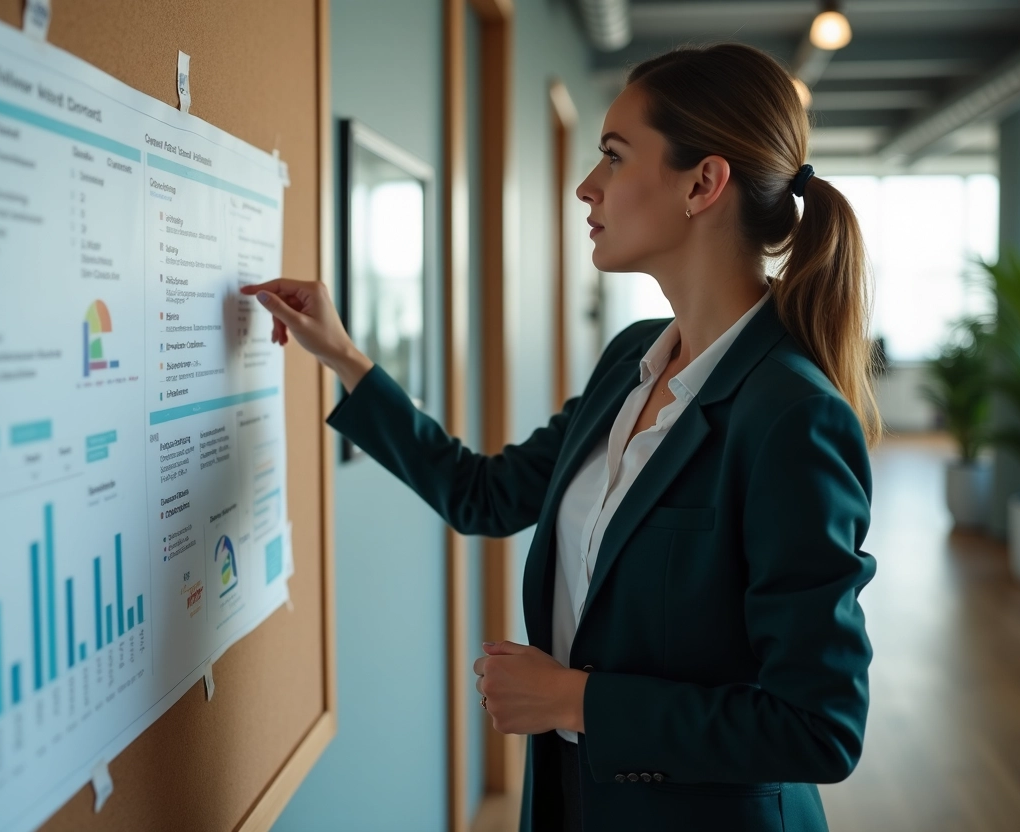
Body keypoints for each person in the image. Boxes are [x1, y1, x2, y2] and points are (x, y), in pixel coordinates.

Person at [243, 42, 877, 832]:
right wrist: (343, 357)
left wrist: (574, 699)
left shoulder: (792, 416)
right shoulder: (629, 361)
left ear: (703, 184)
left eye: (613, 156)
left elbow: (818, 727)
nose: (587, 186)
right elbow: (485, 494)